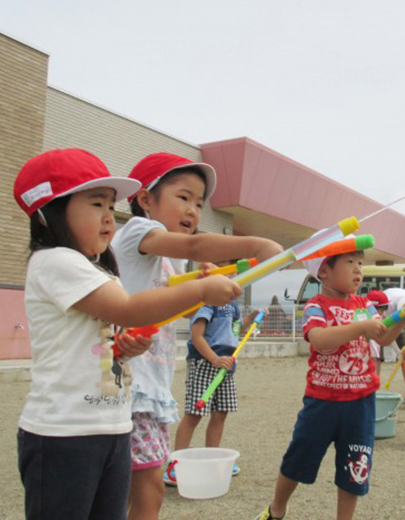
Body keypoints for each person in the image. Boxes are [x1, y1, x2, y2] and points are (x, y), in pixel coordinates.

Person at [13, 149, 241, 520]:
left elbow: (102, 337)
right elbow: (127, 310)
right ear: (47, 213)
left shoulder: (100, 269)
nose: (108, 216)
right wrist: (201, 291)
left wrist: (122, 348)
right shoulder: (55, 260)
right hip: (63, 433)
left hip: (112, 424)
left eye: (110, 205)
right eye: (95, 204)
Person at [111, 152, 282, 519]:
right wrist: (257, 245)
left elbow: (177, 308)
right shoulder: (137, 231)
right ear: (145, 199)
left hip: (150, 386)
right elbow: (195, 246)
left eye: (199, 203)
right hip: (129, 384)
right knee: (145, 490)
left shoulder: (164, 261)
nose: (192, 211)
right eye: (183, 197)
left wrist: (201, 287)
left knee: (137, 490)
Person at [255, 245, 405, 520]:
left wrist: (401, 319)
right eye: (349, 262)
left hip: (361, 403)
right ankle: (277, 508)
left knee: (355, 467)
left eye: (360, 262)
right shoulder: (315, 306)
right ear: (324, 272)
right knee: (298, 459)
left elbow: (382, 338)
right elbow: (319, 339)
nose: (358, 269)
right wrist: (360, 328)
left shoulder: (365, 305)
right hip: (322, 402)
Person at [167, 263, 264, 485]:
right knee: (194, 413)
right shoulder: (208, 302)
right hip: (205, 362)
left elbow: (236, 328)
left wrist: (252, 317)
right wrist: (214, 359)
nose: (235, 278)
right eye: (231, 273)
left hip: (227, 364)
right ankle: (175, 464)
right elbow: (197, 336)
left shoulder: (232, 305)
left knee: (221, 413)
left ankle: (212, 459)